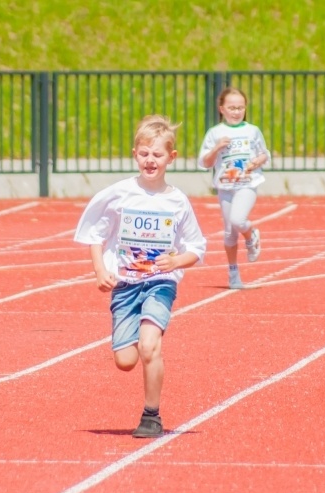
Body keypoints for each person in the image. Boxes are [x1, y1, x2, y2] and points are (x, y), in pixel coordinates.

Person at [74, 115, 206, 438]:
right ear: (135, 153)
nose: (150, 160)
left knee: (150, 347)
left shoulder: (177, 201)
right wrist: (100, 270)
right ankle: (130, 342)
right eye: (144, 153)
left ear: (171, 158)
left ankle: (152, 415)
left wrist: (176, 260)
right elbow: (95, 232)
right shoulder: (120, 194)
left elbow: (197, 247)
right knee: (125, 360)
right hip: (126, 285)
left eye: (157, 154)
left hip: (160, 284)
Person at [198, 87, 271, 289]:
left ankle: (251, 235)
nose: (236, 111)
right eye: (231, 107)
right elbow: (204, 162)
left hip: (247, 183)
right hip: (225, 186)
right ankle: (233, 273)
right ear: (222, 109)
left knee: (238, 219)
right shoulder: (215, 133)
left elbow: (265, 154)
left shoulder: (252, 131)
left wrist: (256, 162)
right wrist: (216, 148)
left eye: (240, 107)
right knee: (229, 231)